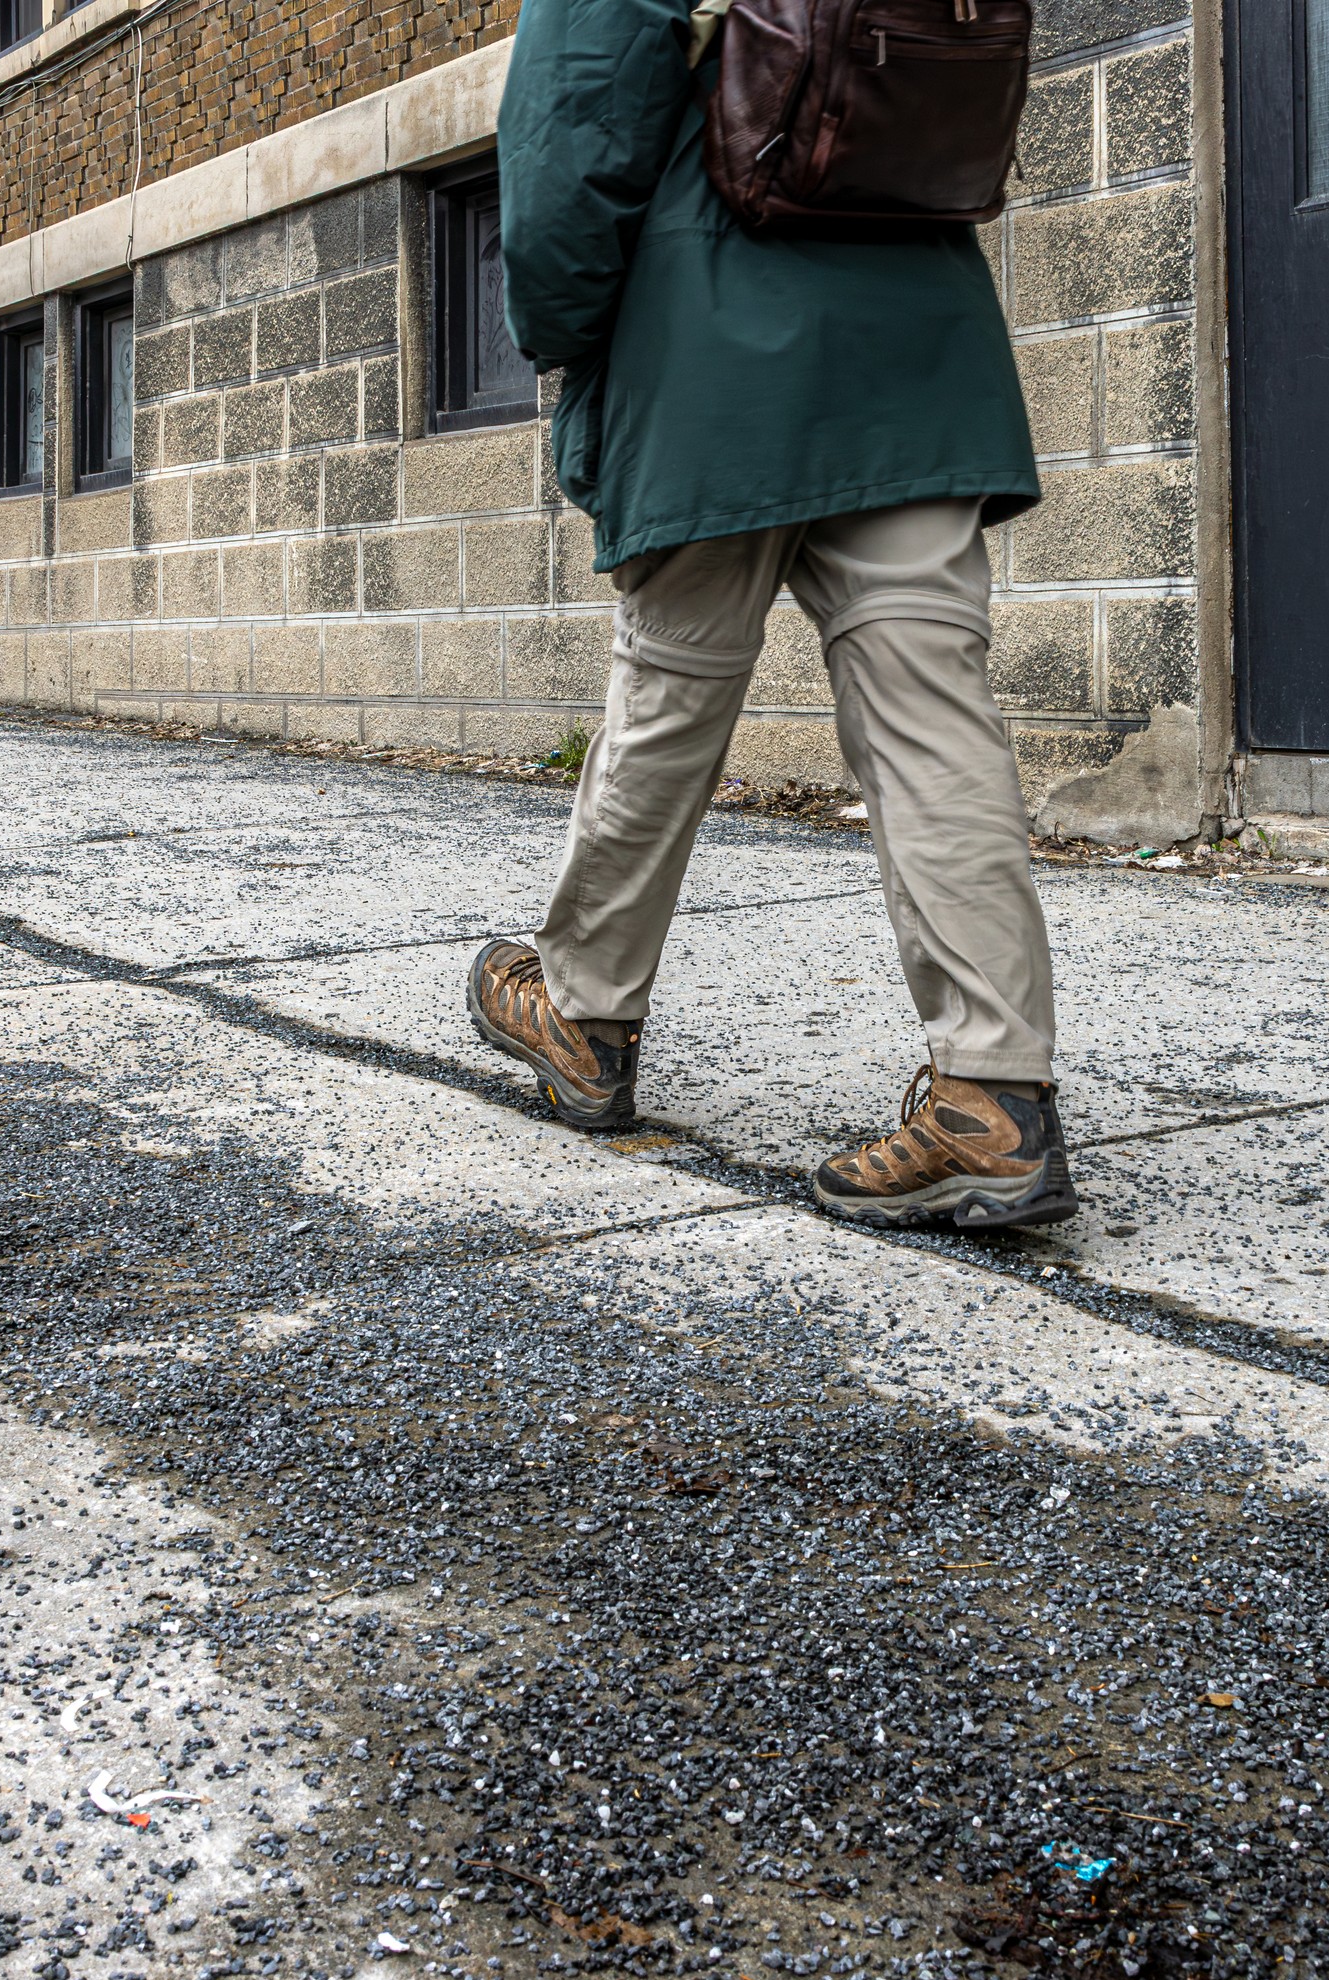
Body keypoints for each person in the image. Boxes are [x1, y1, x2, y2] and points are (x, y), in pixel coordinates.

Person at [462, 0, 1074, 1230]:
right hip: (918, 344)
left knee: (668, 699)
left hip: (711, 343)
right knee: (934, 717)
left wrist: (579, 346)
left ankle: (583, 1014)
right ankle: (991, 1096)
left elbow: (570, 135)